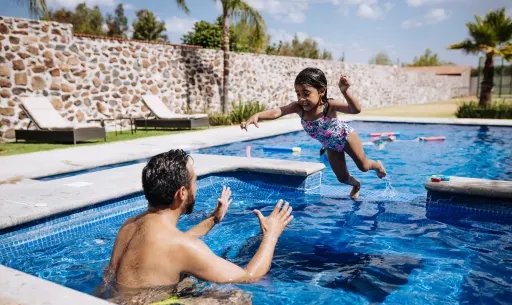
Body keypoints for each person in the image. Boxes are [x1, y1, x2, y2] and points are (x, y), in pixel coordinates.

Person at [104, 149, 294, 292]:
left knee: (187, 282)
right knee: (239, 302)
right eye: (195, 181)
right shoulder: (181, 246)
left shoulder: (129, 225)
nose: (196, 187)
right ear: (182, 193)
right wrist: (271, 235)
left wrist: (213, 219)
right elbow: (249, 276)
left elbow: (164, 247)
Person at [240, 67, 386, 200]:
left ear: (321, 91)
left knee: (364, 167)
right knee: (342, 178)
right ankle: (356, 185)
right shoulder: (298, 108)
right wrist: (258, 115)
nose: (301, 98)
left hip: (346, 137)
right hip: (331, 145)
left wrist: (345, 91)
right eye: (298, 93)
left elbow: (355, 110)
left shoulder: (329, 105)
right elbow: (279, 111)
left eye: (306, 93)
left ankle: (377, 165)